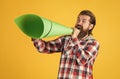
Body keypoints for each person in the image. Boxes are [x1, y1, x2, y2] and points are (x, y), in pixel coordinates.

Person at [32, 10, 100, 79]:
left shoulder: (93, 43)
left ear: (90, 26)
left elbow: (82, 60)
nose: (79, 23)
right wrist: (35, 36)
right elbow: (44, 48)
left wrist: (74, 38)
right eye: (78, 20)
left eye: (83, 21)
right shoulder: (66, 39)